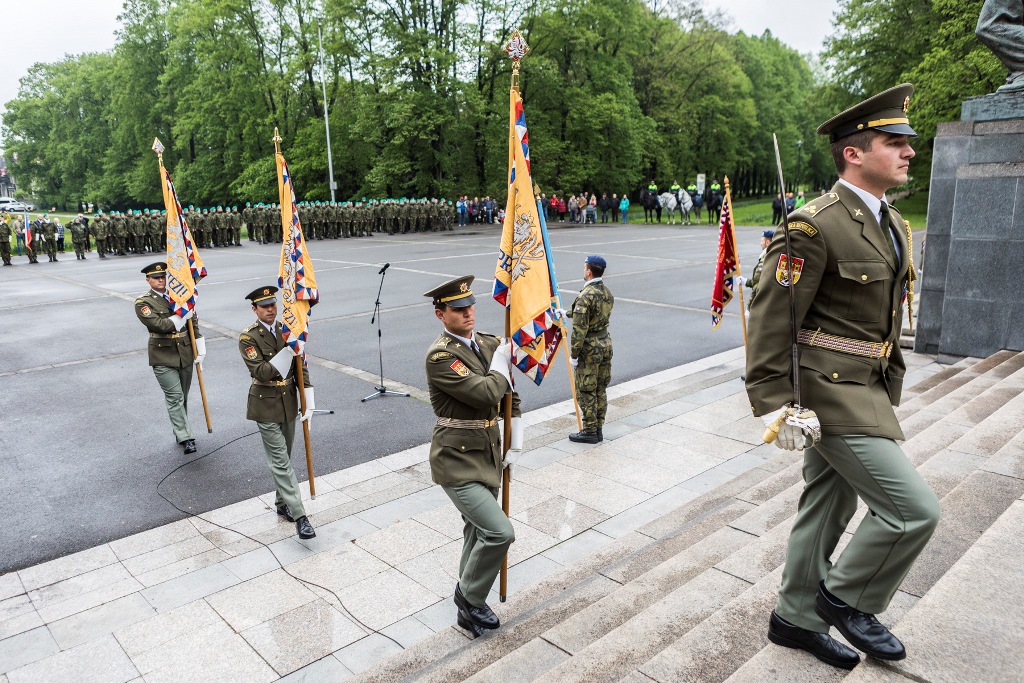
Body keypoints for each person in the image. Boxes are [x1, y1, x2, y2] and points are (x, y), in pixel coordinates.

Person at [745, 83, 939, 670]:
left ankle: (794, 618)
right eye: (893, 142)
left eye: (907, 142)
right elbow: (771, 315)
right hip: (827, 394)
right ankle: (846, 599)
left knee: (826, 506)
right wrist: (777, 403)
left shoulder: (894, 226)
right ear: (853, 153)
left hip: (869, 384)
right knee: (913, 511)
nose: (908, 151)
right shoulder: (814, 226)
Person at [423, 275, 520, 638]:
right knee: (499, 532)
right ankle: (470, 598)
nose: (468, 313)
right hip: (457, 459)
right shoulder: (441, 355)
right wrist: (501, 364)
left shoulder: (488, 342)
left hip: (489, 450)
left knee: (476, 529)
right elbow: (484, 392)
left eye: (470, 306)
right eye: (458, 309)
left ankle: (467, 605)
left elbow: (510, 394)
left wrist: (516, 435)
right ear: (440, 315)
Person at [239, 286, 316, 540]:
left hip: (289, 401)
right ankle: (300, 516)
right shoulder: (248, 337)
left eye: (273, 304)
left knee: (286, 457)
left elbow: (299, 365)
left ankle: (282, 503)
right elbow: (261, 371)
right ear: (255, 310)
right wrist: (288, 350)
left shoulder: (288, 330)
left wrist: (308, 396)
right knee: (281, 462)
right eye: (264, 306)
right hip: (264, 404)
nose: (270, 309)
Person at [134, 262, 204, 455]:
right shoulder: (143, 302)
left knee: (183, 396)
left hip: (185, 352)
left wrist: (200, 348)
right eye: (156, 277)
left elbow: (193, 323)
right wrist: (183, 314)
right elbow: (160, 325)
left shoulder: (179, 295)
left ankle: (181, 429)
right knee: (175, 397)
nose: (160, 280)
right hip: (162, 354)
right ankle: (186, 437)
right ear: (148, 280)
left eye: (163, 276)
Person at [562, 256, 614, 443]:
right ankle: (598, 428)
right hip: (605, 343)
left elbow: (579, 330)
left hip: (589, 349)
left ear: (589, 271)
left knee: (586, 390)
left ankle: (589, 431)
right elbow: (595, 314)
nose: (583, 270)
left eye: (584, 267)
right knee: (600, 388)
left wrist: (574, 354)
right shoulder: (606, 292)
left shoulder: (585, 295)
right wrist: (567, 313)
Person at [740, 229, 774, 309]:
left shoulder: (766, 258)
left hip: (760, 305)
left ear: (767, 242)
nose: (760, 243)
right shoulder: (772, 255)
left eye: (762, 241)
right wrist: (745, 281)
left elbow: (757, 286)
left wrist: (749, 307)